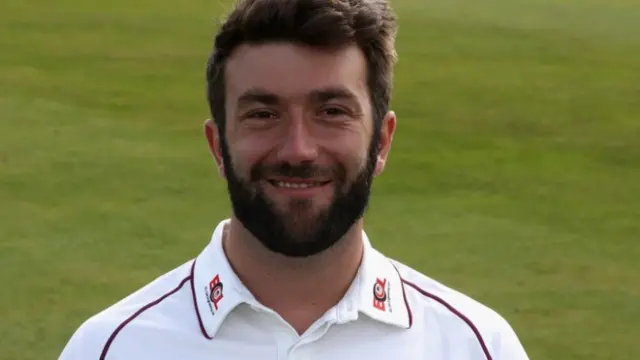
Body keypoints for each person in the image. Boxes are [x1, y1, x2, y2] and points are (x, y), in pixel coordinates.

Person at [58, 0, 530, 359]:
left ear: (382, 141)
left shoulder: (474, 347)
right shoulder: (111, 349)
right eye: (263, 114)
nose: (298, 149)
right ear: (217, 145)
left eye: (332, 112)